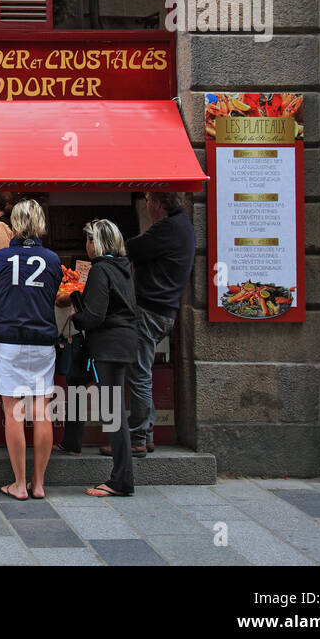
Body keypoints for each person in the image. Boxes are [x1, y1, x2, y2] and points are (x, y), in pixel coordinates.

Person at [0, 198, 62, 500]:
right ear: (40, 224)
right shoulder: (53, 260)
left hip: (9, 339)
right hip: (43, 338)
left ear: (14, 225)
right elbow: (53, 294)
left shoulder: (0, 259)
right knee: (42, 410)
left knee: (13, 411)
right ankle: (39, 483)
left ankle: (18, 484)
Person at [55, 220, 139, 496]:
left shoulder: (101, 269)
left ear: (97, 243)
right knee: (84, 385)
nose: (86, 245)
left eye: (89, 240)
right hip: (122, 343)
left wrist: (75, 317)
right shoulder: (122, 267)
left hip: (108, 347)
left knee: (114, 414)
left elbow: (94, 316)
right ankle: (73, 442)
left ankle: (121, 480)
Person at [118, 190, 196, 457]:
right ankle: (146, 434)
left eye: (149, 201)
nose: (147, 205)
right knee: (143, 371)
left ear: (160, 204)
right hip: (165, 310)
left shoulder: (168, 229)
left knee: (139, 374)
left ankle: (138, 438)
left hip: (150, 310)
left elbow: (131, 248)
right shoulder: (181, 226)